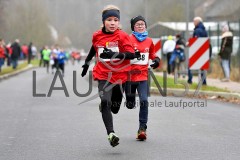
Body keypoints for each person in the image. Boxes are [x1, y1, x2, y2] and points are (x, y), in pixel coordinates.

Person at [81, 5, 139, 147]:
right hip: (103, 74)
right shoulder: (97, 35)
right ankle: (111, 134)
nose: (112, 23)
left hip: (121, 76)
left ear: (118, 22)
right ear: (104, 22)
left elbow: (131, 55)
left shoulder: (123, 36)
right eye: (109, 20)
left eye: (115, 20)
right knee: (106, 102)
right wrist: (86, 63)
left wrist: (113, 55)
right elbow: (93, 48)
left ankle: (105, 106)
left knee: (115, 108)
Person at [125, 15, 160, 140]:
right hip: (129, 76)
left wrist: (156, 59)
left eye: (142, 24)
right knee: (130, 104)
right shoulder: (127, 39)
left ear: (145, 26)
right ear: (133, 27)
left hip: (142, 76)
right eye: (137, 24)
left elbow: (152, 54)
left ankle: (142, 128)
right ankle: (129, 101)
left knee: (144, 100)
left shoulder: (149, 41)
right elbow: (122, 54)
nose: (140, 26)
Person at [187, 17, 208, 85]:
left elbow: (196, 41)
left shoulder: (197, 30)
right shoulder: (204, 30)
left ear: (197, 22)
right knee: (202, 67)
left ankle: (190, 80)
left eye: (194, 21)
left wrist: (190, 43)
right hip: (203, 50)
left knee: (190, 66)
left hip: (197, 51)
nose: (193, 23)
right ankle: (204, 81)